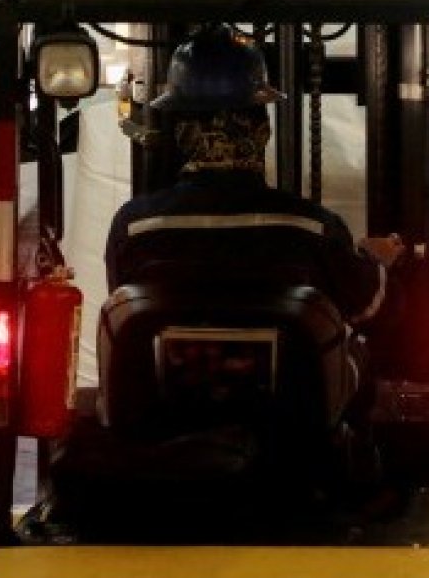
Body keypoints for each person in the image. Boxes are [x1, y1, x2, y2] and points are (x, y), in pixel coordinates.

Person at [102, 26, 404, 413]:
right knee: (358, 348)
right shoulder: (312, 229)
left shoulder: (132, 229)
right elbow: (374, 308)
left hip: (167, 419)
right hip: (288, 424)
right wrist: (377, 261)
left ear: (181, 132)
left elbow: (128, 309)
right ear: (261, 129)